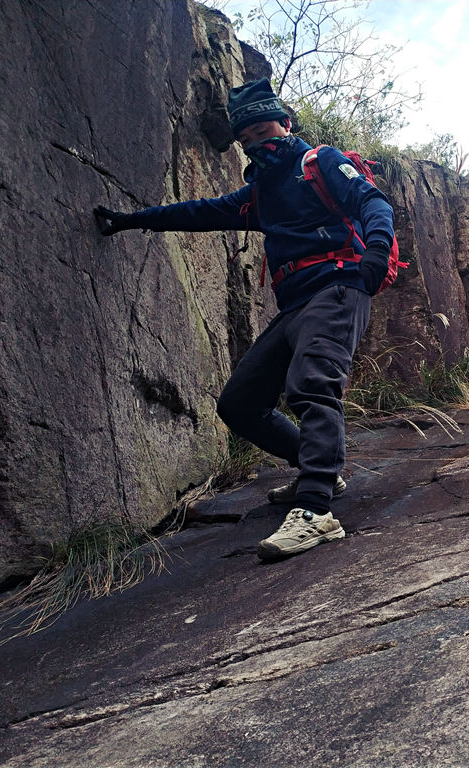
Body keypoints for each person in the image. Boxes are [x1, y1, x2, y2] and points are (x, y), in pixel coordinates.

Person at [94, 78, 395, 561]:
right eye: (246, 138)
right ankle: (321, 472)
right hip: (295, 305)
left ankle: (317, 511)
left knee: (312, 384)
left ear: (285, 122)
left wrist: (376, 248)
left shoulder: (316, 163)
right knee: (240, 403)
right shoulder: (259, 193)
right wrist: (135, 219)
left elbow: (374, 202)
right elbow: (201, 212)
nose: (257, 141)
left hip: (338, 287)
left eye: (262, 129)